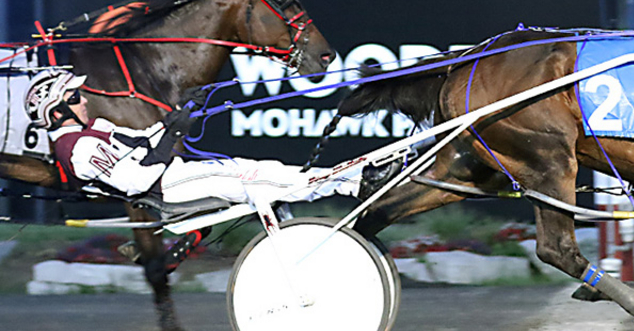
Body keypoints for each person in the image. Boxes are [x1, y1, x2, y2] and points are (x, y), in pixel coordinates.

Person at [24, 69, 381, 218]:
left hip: (176, 174)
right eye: (73, 98)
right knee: (261, 182)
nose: (83, 100)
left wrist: (181, 111)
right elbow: (135, 180)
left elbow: (147, 140)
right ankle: (356, 184)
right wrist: (174, 132)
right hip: (168, 189)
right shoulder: (78, 150)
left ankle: (357, 177)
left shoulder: (93, 128)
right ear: (56, 114)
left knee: (264, 169)